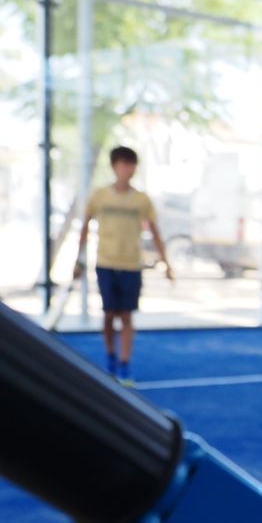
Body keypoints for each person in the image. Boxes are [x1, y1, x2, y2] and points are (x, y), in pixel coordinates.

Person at [74, 145, 172, 384]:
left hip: (131, 265)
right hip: (106, 263)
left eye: (130, 164)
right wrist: (78, 260)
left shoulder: (141, 200)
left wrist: (166, 262)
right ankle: (110, 358)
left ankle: (125, 364)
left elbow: (155, 231)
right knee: (109, 315)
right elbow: (85, 227)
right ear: (114, 167)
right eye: (122, 164)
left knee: (126, 316)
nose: (126, 169)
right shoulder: (99, 196)